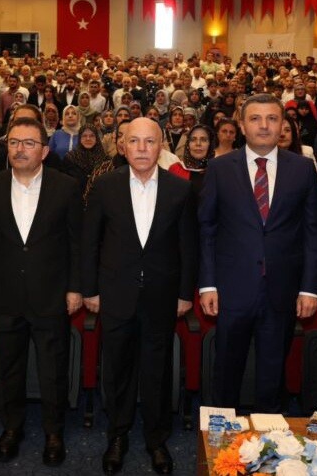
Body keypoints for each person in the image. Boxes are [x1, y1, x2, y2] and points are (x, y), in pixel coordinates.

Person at [82, 117, 197, 475]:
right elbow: (90, 242)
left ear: (161, 146)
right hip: (115, 294)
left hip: (162, 296)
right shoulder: (105, 185)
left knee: (157, 370)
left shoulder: (180, 189)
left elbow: (188, 247)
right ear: (123, 145)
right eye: (134, 141)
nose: (142, 148)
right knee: (117, 368)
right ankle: (117, 435)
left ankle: (156, 439)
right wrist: (90, 290)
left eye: (150, 141)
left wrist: (185, 293)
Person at [199, 94, 317, 412]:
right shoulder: (219, 168)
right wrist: (208, 284)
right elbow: (207, 229)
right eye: (255, 118)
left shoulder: (303, 169)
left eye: (272, 118)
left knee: (272, 376)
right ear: (242, 125)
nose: (264, 125)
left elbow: (313, 231)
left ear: (283, 125)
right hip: (231, 290)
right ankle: (220, 436)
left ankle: (269, 436)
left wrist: (309, 288)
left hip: (282, 290)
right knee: (226, 371)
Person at [0, 118, 83, 468]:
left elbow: (76, 244)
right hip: (5, 294)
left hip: (51, 294)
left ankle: (54, 432)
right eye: (14, 142)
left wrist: (75, 288)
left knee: (53, 369)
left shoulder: (66, 187)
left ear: (44, 151)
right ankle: (12, 427)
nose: (20, 149)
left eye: (29, 143)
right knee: (9, 367)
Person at [62, 124, 109, 198]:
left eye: (92, 136)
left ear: (97, 138)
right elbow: (65, 184)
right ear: (79, 138)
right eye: (84, 136)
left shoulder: (105, 160)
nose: (88, 139)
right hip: (75, 199)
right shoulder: (70, 158)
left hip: (100, 199)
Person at [168, 124, 215, 195]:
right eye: (193, 139)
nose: (198, 144)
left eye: (203, 140)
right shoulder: (175, 170)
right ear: (188, 144)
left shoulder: (217, 170)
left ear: (210, 144)